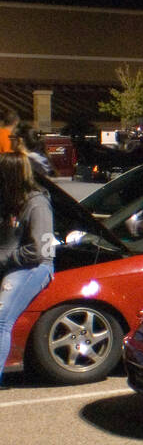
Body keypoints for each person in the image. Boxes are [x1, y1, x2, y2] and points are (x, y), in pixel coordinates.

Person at [0, 153, 55, 387]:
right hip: (11, 262)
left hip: (33, 267)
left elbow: (42, 251)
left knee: (1, 320)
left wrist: (6, 260)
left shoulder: (37, 204)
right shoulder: (8, 201)